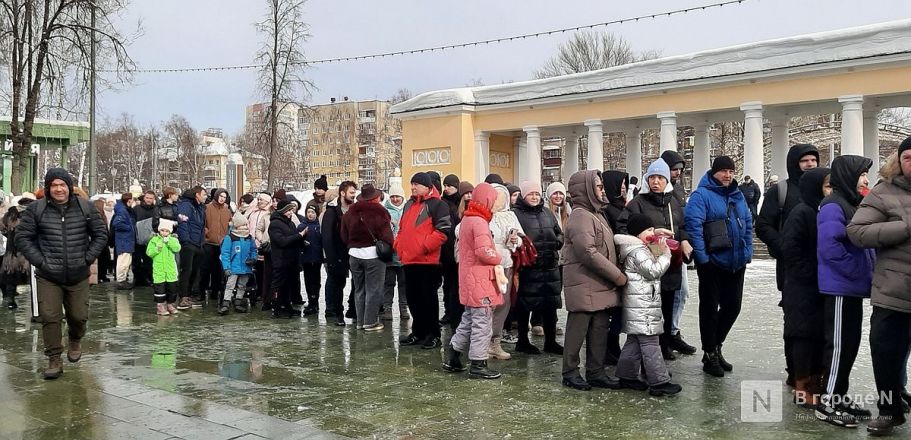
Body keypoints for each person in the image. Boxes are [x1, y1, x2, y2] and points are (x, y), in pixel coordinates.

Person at [16, 168, 108, 379]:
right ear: (48, 188)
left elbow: (101, 234)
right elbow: (23, 238)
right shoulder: (36, 210)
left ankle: (75, 339)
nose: (58, 189)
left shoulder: (85, 207)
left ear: (69, 186)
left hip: (78, 274)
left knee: (78, 315)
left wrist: (87, 258)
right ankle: (54, 358)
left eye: (62, 185)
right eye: (54, 185)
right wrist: (41, 261)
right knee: (50, 317)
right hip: (48, 274)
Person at [847, 140, 911, 434]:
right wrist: (905, 228)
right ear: (899, 160)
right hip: (894, 291)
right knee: (886, 353)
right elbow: (857, 232)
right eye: (908, 157)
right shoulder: (883, 191)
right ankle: (889, 411)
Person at [814, 154, 874, 428]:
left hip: (852, 287)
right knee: (839, 346)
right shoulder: (832, 206)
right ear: (849, 175)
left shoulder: (852, 203)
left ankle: (839, 395)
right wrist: (860, 272)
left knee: (850, 344)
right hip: (840, 287)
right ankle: (827, 403)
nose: (866, 179)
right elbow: (830, 249)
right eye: (862, 173)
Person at [619, 159, 695, 360]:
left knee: (669, 306)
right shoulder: (637, 203)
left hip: (671, 263)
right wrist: (651, 234)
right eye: (652, 177)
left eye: (660, 178)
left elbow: (683, 226)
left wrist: (685, 240)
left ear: (667, 180)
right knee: (650, 308)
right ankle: (649, 350)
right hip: (647, 264)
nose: (655, 181)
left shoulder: (674, 202)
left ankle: (665, 344)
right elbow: (623, 228)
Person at [683, 156, 752, 378]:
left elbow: (748, 223)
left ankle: (715, 345)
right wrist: (702, 258)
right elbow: (694, 227)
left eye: (731, 171)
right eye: (723, 171)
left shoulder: (738, 194)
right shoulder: (701, 195)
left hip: (736, 261)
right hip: (712, 262)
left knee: (733, 306)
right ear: (714, 172)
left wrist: (747, 252)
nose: (727, 175)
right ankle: (710, 352)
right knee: (710, 309)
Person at [756, 143, 819, 386]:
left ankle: (816, 371)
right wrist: (784, 246)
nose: (810, 164)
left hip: (819, 266)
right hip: (790, 268)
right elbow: (763, 225)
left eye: (813, 159)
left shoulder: (825, 187)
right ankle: (795, 371)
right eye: (804, 161)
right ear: (795, 163)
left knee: (818, 321)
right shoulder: (780, 191)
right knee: (795, 320)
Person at [561, 170, 626, 391]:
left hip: (599, 283)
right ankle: (570, 371)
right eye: (598, 186)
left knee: (599, 327)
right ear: (586, 189)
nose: (602, 190)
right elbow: (587, 252)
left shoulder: (596, 214)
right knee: (578, 328)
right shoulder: (581, 215)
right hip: (584, 282)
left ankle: (596, 371)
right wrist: (617, 275)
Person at [780, 167, 831, 408]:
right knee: (803, 337)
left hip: (821, 286)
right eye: (827, 186)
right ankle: (802, 386)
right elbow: (790, 249)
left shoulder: (824, 210)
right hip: (802, 287)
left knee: (820, 336)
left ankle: (815, 382)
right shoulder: (802, 212)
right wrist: (810, 274)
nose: (830, 191)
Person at [613, 213, 680, 396]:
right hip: (642, 306)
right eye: (649, 230)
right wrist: (666, 253)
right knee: (651, 342)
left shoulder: (641, 247)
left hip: (641, 304)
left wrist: (659, 243)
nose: (652, 233)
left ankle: (627, 376)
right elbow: (654, 270)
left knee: (634, 341)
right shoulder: (637, 251)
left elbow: (653, 260)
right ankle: (659, 381)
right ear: (637, 234)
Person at [442, 183, 503, 379]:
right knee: (482, 322)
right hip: (480, 280)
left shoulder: (468, 218)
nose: (494, 204)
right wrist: (498, 256)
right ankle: (478, 363)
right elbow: (484, 251)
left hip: (469, 278)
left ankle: (454, 354)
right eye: (493, 200)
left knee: (469, 319)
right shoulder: (479, 222)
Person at [395, 172, 451, 349]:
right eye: (412, 184)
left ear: (427, 187)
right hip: (409, 260)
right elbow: (402, 229)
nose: (413, 187)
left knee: (428, 299)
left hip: (427, 262)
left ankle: (433, 334)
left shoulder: (437, 205)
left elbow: (443, 231)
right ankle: (418, 332)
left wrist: (424, 246)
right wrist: (399, 245)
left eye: (417, 184)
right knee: (413, 299)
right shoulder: (409, 204)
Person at [513, 181, 564, 355]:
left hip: (550, 266)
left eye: (536, 194)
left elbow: (558, 231)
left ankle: (550, 341)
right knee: (525, 305)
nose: (534, 197)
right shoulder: (516, 214)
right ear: (523, 196)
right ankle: (523, 340)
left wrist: (558, 241)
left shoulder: (547, 212)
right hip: (529, 267)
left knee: (550, 305)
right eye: (530, 194)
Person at [341, 184, 394, 331]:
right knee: (374, 289)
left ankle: (359, 322)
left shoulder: (350, 212)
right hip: (373, 255)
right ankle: (370, 322)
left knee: (359, 289)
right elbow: (387, 236)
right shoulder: (380, 211)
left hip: (354, 255)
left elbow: (344, 235)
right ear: (375, 197)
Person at [486, 184, 523, 359]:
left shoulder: (511, 216)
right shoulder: (483, 215)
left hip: (507, 263)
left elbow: (522, 240)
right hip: (487, 265)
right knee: (487, 303)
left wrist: (515, 240)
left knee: (503, 302)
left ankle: (495, 340)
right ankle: (482, 340)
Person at [600, 170, 629, 364]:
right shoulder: (608, 210)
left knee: (619, 308)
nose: (624, 188)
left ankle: (613, 345)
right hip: (613, 265)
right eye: (621, 185)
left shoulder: (621, 207)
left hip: (622, 264)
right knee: (612, 310)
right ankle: (609, 347)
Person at [322, 181, 357, 326]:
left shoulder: (355, 210)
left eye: (355, 192)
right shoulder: (331, 212)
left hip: (354, 252)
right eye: (351, 192)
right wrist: (330, 259)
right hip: (337, 253)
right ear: (342, 193)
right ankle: (337, 312)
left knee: (357, 283)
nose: (354, 195)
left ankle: (354, 309)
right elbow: (327, 237)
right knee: (337, 284)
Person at [268, 199, 305, 319]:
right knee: (278, 284)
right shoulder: (275, 224)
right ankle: (276, 307)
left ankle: (286, 306)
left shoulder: (290, 223)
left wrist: (302, 241)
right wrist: (299, 235)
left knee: (288, 284)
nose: (291, 212)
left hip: (291, 260)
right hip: (281, 260)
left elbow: (292, 237)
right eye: (289, 210)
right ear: (283, 211)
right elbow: (282, 241)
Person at [1, 194, 36, 309]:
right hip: (29, 251)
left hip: (12, 252)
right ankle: (36, 306)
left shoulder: (11, 213)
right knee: (34, 280)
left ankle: (10, 300)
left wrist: (9, 235)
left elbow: (2, 226)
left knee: (11, 277)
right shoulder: (34, 212)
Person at [176, 186, 207, 310]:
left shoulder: (199, 208)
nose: (205, 197)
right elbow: (182, 223)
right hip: (189, 244)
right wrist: (186, 241)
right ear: (197, 195)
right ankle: (183, 297)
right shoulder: (186, 206)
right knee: (186, 271)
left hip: (198, 244)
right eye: (204, 194)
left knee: (195, 272)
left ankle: (188, 296)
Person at [219, 212, 257, 315]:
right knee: (230, 285)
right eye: (243, 225)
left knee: (242, 285)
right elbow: (225, 254)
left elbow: (254, 250)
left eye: (246, 224)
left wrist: (253, 259)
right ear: (237, 225)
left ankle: (238, 302)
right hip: (233, 267)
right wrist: (226, 267)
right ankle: (225, 303)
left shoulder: (249, 238)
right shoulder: (230, 237)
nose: (245, 227)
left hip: (245, 266)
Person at [382, 182, 408, 321]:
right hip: (389, 254)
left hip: (404, 255)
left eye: (397, 196)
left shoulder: (408, 209)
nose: (395, 199)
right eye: (392, 196)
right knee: (388, 283)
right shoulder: (385, 210)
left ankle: (404, 308)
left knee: (404, 284)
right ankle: (388, 308)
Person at [439, 174, 462, 328]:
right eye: (445, 186)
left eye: (450, 186)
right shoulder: (442, 203)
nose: (447, 189)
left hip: (459, 249)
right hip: (446, 250)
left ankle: (458, 311)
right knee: (448, 285)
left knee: (458, 284)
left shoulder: (462, 202)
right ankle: (449, 311)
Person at [200, 188, 231, 300]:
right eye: (221, 196)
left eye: (224, 197)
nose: (222, 199)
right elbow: (202, 223)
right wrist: (205, 232)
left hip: (222, 244)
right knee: (205, 268)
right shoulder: (207, 208)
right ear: (216, 196)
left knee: (218, 270)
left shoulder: (227, 211)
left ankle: (215, 292)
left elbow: (230, 225)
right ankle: (201, 292)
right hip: (208, 242)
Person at [147, 219, 181, 316]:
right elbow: (149, 252)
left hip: (170, 270)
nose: (164, 233)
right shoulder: (154, 240)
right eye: (162, 230)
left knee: (172, 289)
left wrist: (169, 242)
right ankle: (160, 306)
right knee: (160, 290)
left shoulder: (173, 239)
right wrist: (156, 249)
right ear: (159, 230)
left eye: (166, 231)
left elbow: (177, 248)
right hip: (159, 270)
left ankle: (170, 304)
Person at [246, 192, 272, 309]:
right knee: (252, 269)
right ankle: (253, 291)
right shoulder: (252, 212)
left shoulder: (268, 214)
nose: (259, 201)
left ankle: (262, 292)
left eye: (262, 200)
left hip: (262, 244)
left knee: (262, 270)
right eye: (259, 199)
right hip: (250, 244)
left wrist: (261, 240)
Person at [299, 205, 323, 316]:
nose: (310, 214)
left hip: (317, 258)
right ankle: (311, 301)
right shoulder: (302, 226)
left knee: (316, 281)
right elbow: (296, 240)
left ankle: (315, 302)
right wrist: (302, 242)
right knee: (308, 281)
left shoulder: (320, 226)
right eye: (308, 212)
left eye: (313, 212)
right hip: (306, 258)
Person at [132, 190, 158, 287]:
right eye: (147, 198)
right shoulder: (136, 209)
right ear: (144, 198)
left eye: (151, 198)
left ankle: (149, 278)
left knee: (149, 261)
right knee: (136, 261)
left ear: (154, 199)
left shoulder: (156, 209)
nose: (149, 200)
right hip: (138, 239)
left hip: (152, 240)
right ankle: (137, 279)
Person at [111, 193, 136, 290]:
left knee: (126, 261)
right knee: (123, 261)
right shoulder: (122, 210)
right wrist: (129, 228)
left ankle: (122, 279)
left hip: (125, 239)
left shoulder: (122, 209)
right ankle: (121, 280)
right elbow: (117, 223)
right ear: (129, 200)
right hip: (124, 239)